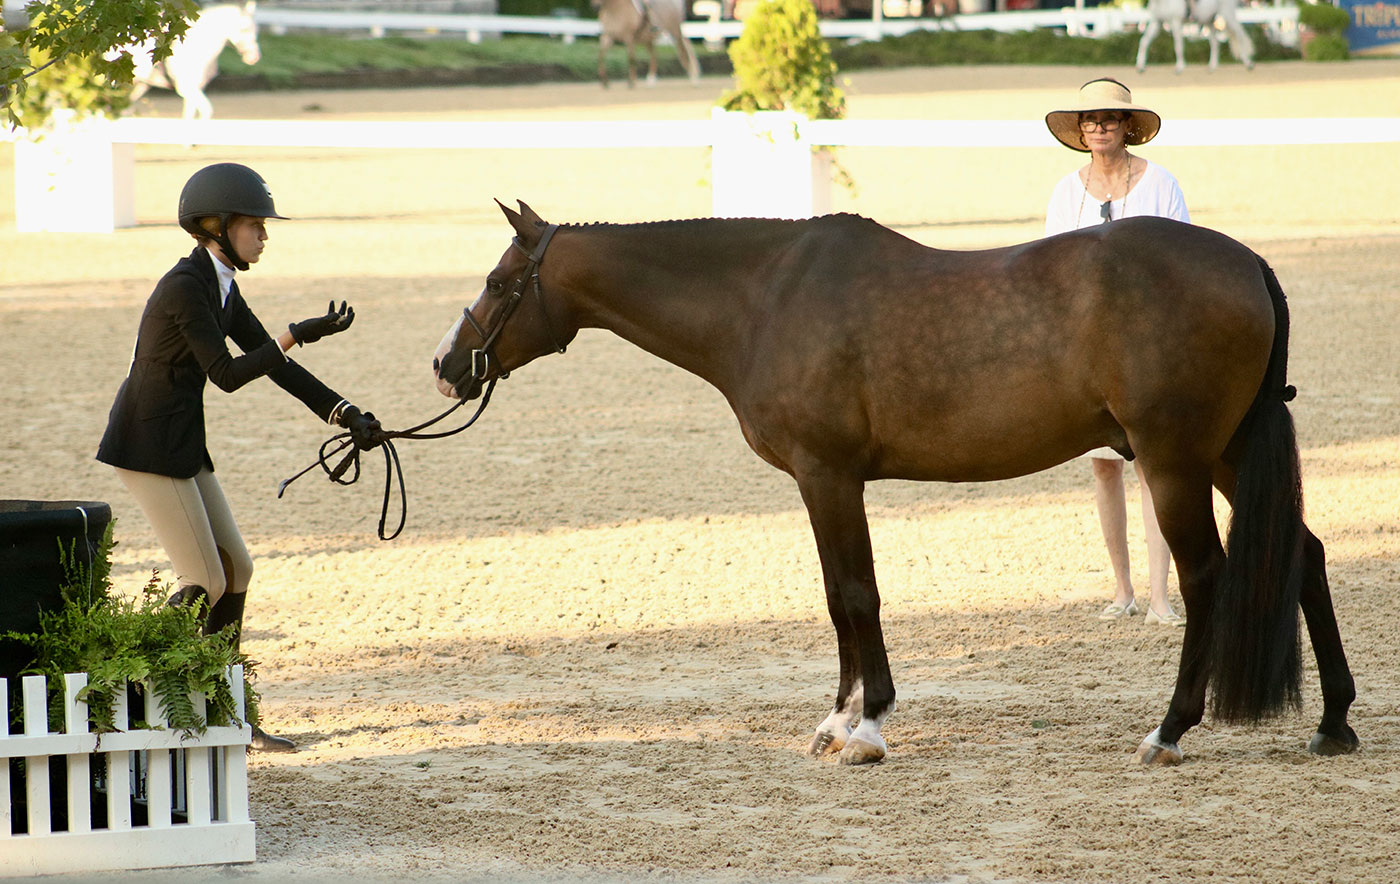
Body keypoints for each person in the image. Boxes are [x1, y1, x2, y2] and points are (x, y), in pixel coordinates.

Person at [97, 162, 386, 750]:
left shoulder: (222, 284)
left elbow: (277, 364)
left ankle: (228, 715)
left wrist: (347, 412)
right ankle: (133, 695)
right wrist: (294, 333)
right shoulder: (185, 286)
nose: (264, 235)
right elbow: (227, 375)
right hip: (147, 443)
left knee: (237, 570)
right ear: (217, 226)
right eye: (255, 225)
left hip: (181, 441)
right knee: (203, 577)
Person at [1043, 78, 1187, 627]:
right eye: (1090, 119)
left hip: (1147, 350)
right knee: (1104, 470)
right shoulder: (1066, 193)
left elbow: (1182, 265)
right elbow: (1049, 272)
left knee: (1152, 468)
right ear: (1080, 131)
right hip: (1089, 357)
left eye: (1108, 118)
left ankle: (1160, 597)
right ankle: (1123, 590)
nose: (1098, 126)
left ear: (1128, 126)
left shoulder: (1161, 184)